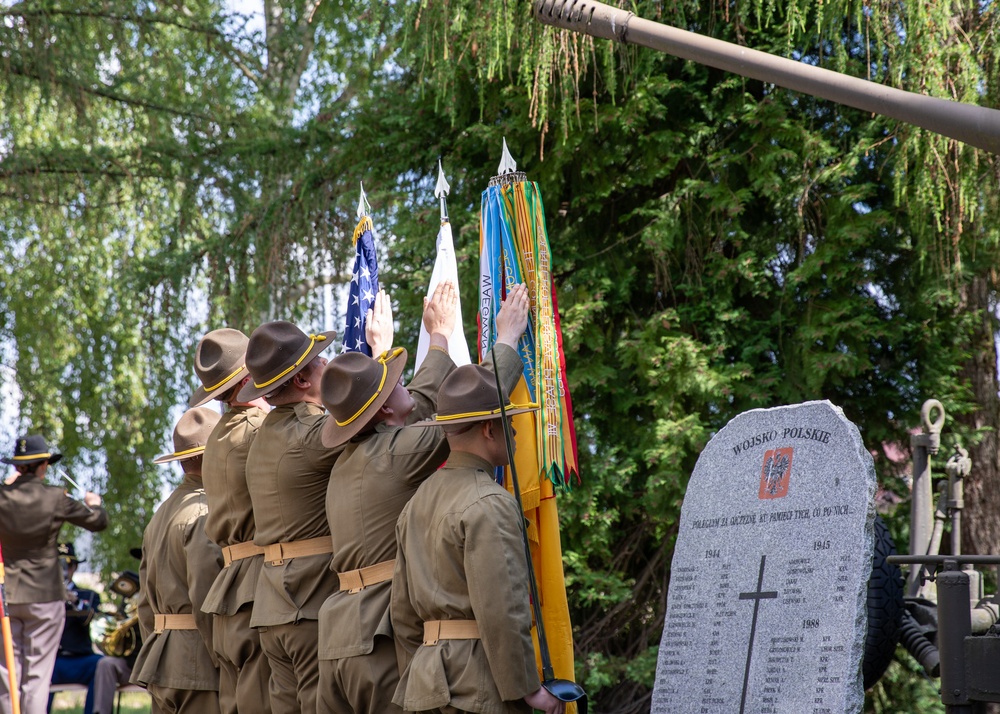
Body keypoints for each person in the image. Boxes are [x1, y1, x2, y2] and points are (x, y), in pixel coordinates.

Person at [316, 282, 531, 714]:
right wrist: (501, 339)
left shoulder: (345, 463)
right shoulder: (395, 456)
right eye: (397, 386)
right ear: (384, 413)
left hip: (336, 634)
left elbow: (408, 402)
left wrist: (386, 349)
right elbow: (461, 408)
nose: (409, 390)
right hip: (376, 634)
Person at [236, 298, 392, 714]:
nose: (329, 366)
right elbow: (380, 414)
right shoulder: (312, 434)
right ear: (304, 379)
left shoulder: (265, 435)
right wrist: (382, 355)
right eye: (321, 362)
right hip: (307, 603)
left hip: (273, 604)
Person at [391, 363, 565, 714]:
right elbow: (504, 610)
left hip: (427, 682)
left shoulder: (417, 500)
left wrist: (423, 673)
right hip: (481, 686)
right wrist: (529, 690)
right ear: (489, 428)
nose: (515, 431)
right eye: (510, 421)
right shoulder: (491, 502)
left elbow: (403, 613)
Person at [190, 328, 272, 714]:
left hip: (229, 587)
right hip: (258, 585)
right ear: (249, 376)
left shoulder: (219, 434)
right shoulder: (259, 431)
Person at [0, 435, 108, 714]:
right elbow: (97, 522)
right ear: (44, 466)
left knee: (6, 676)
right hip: (45, 596)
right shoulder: (55, 497)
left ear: (17, 467)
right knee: (36, 679)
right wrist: (94, 503)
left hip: (6, 595)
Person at [130, 408, 224, 713]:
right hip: (199, 662)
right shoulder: (203, 512)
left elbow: (144, 603)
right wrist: (225, 659)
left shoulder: (161, 514)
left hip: (163, 656)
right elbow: (207, 599)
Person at [48, 543, 132, 714]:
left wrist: (75, 601)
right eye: (59, 565)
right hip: (51, 660)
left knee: (101, 666)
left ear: (75, 567)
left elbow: (90, 619)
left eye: (68, 565)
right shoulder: (42, 596)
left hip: (80, 659)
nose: (64, 570)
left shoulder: (88, 595)